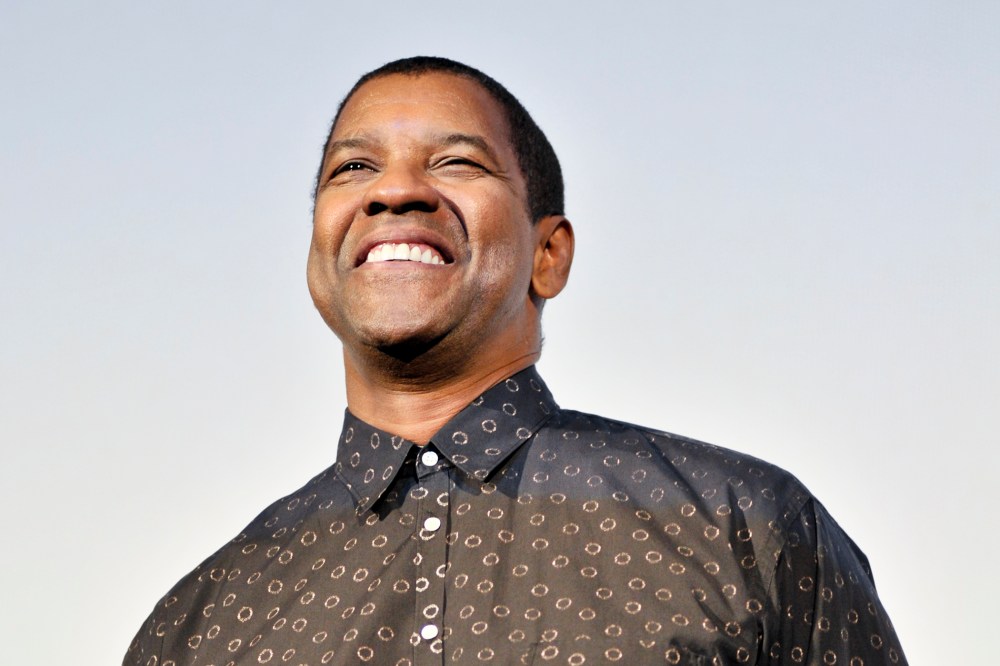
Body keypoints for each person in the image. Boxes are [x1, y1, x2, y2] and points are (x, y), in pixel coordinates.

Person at [124, 56, 907, 666]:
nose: (394, 190)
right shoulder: (201, 622)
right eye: (352, 168)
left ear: (549, 254)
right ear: (319, 253)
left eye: (456, 162)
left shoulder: (746, 528)